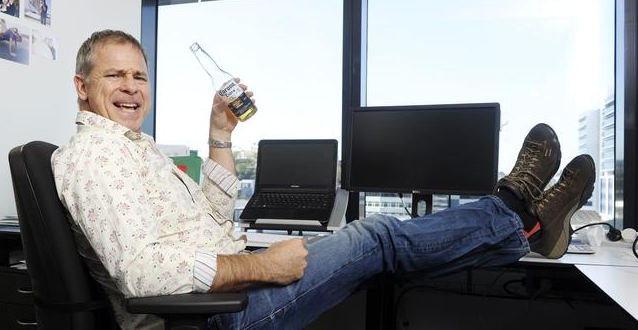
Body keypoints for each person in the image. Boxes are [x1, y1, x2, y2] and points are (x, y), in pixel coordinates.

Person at [52, 30, 596, 330]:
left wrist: (219, 132)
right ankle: (519, 210)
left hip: (226, 293)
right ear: (83, 86)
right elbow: (144, 275)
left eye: (139, 75)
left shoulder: (136, 150)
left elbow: (213, 219)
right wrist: (263, 263)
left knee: (382, 254)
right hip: (208, 321)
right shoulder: (92, 159)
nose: (130, 87)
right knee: (375, 236)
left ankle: (528, 224)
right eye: (114, 75)